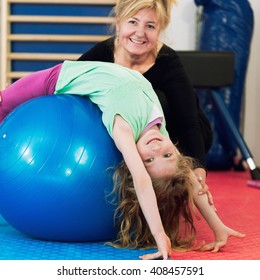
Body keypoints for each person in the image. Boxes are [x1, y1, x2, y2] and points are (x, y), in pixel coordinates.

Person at [0, 60, 244, 260]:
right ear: (176, 152)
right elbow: (190, 178)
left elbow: (142, 182)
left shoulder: (123, 130)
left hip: (57, 80)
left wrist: (161, 236)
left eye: (148, 160)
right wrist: (216, 225)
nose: (156, 148)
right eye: (168, 155)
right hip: (75, 76)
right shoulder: (162, 135)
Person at [78, 0, 213, 200]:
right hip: (132, 134)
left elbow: (188, 124)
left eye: (150, 26)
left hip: (178, 132)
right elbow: (65, 82)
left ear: (159, 30)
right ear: (118, 22)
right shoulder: (100, 56)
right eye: (133, 22)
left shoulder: (168, 62)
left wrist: (198, 170)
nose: (140, 33)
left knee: (155, 99)